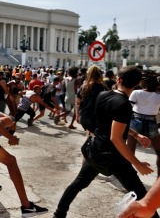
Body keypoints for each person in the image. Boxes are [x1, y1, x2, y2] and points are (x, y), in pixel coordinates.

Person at [53, 66, 158, 218]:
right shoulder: (124, 105)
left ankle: (58, 215)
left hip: (96, 149)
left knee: (78, 184)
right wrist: (137, 163)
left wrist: (135, 134)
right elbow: (115, 138)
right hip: (114, 157)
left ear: (118, 79)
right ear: (138, 84)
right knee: (141, 196)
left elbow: (110, 124)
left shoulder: (103, 95)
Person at [126, 71, 160, 178]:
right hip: (151, 123)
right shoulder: (158, 96)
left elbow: (128, 108)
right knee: (159, 152)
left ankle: (128, 179)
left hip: (135, 121)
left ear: (144, 83)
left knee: (130, 151)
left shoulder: (136, 93)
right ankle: (158, 180)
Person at [75, 65, 106, 138]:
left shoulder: (84, 87)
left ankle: (86, 148)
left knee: (89, 134)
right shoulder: (102, 88)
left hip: (84, 116)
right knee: (94, 137)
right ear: (100, 75)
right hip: (95, 118)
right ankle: (87, 148)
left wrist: (77, 115)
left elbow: (77, 102)